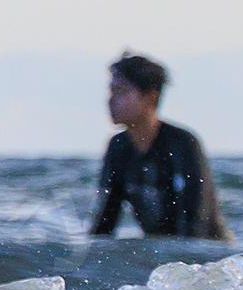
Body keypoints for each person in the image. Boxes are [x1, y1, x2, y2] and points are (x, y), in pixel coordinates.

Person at [91, 52, 230, 241]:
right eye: (111, 91)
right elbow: (105, 220)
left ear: (150, 97)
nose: (110, 100)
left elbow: (196, 218)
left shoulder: (183, 143)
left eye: (121, 92)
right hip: (160, 253)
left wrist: (184, 261)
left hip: (208, 254)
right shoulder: (118, 147)